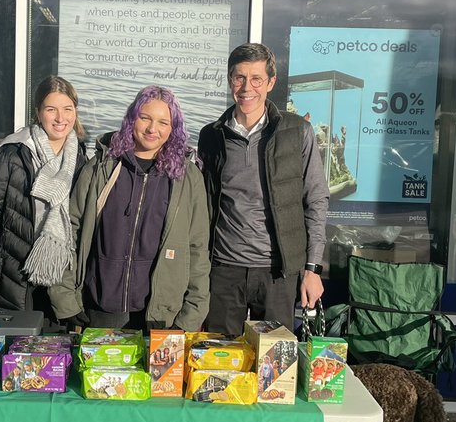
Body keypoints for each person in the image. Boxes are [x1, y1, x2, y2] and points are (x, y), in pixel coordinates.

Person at [51, 85, 209, 333]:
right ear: (132, 118)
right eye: (145, 118)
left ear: (173, 128)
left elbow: (197, 248)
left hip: (161, 314)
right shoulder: (101, 167)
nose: (152, 129)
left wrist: (191, 315)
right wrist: (65, 298)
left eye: (163, 122)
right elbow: (68, 231)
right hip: (100, 306)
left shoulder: (186, 177)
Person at [197, 43, 329, 336]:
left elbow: (316, 200)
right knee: (220, 358)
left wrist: (312, 269)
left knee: (275, 362)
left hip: (278, 274)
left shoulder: (297, 132)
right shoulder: (211, 136)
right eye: (239, 78)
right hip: (223, 270)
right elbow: (203, 204)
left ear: (271, 82)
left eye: (256, 78)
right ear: (230, 80)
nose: (247, 88)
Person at [0, 75, 87, 316]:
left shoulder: (79, 157)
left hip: (60, 279)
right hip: (15, 280)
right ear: (38, 112)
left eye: (67, 109)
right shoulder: (12, 155)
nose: (60, 118)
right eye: (51, 109)